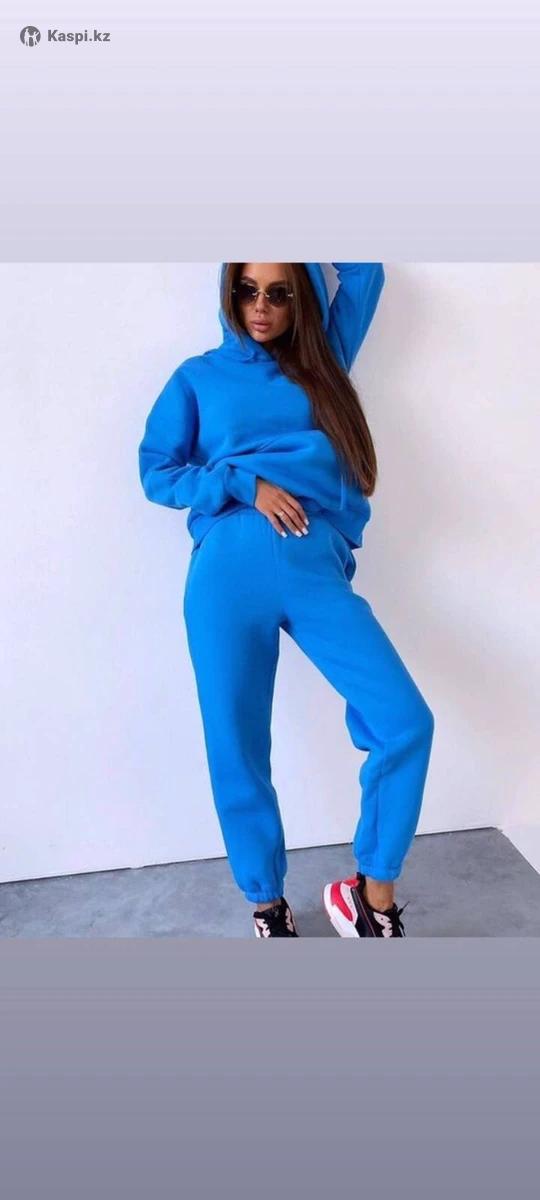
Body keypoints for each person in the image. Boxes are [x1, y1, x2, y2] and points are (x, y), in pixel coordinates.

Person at [138, 262, 435, 938]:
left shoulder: (322, 360)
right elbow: (157, 470)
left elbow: (364, 272)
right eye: (247, 290)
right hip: (224, 578)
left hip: (312, 569)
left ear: (299, 296)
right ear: (229, 292)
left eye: (279, 292)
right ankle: (266, 903)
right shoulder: (197, 378)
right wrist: (243, 484)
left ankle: (372, 895)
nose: (261, 306)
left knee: (404, 721)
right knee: (236, 742)